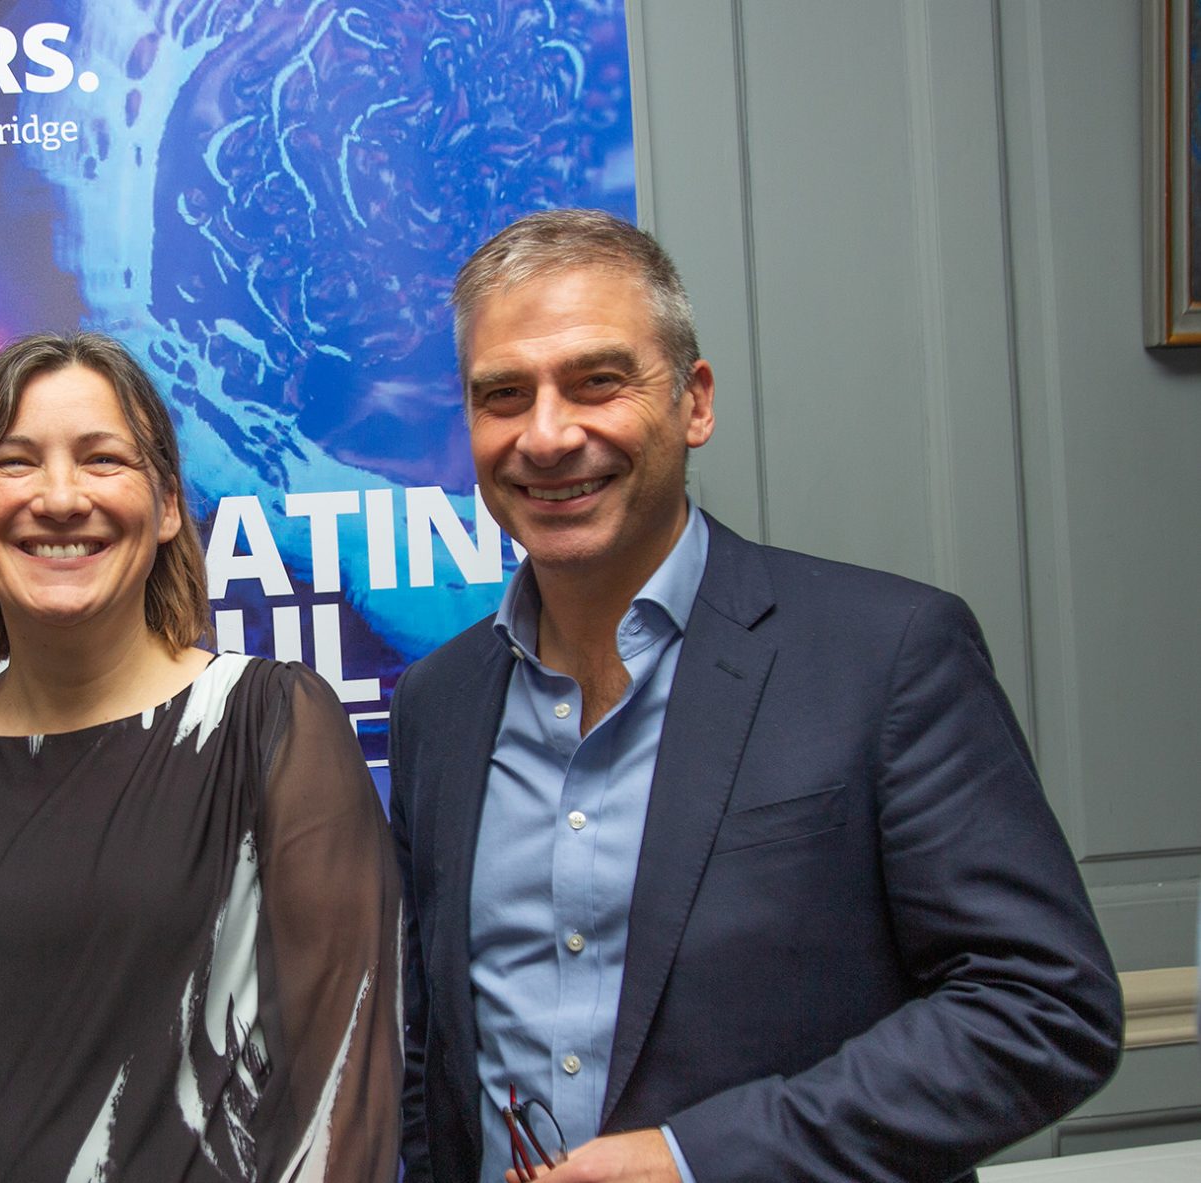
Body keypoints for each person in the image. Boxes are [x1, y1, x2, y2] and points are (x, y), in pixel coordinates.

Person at [390, 210, 1121, 1183]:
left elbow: (1045, 1008)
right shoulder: (438, 703)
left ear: (694, 402)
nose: (549, 434)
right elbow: (431, 1049)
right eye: (504, 395)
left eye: (598, 381)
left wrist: (697, 1160)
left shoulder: (888, 654)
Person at [0, 332, 401, 1181]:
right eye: (14, 462)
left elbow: (342, 1099)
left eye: (102, 459)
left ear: (167, 506)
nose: (59, 497)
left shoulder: (273, 727)